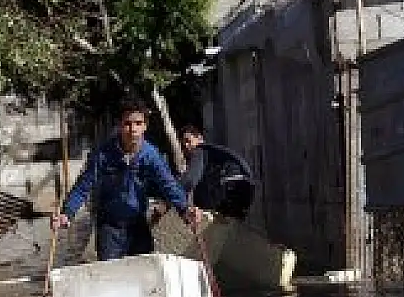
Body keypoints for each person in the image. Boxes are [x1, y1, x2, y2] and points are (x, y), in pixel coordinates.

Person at [52, 98, 203, 261]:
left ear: (145, 126)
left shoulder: (151, 155)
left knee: (145, 270)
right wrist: (67, 213)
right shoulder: (103, 155)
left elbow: (169, 185)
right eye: (127, 124)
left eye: (138, 123)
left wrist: (185, 210)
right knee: (112, 272)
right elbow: (83, 187)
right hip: (109, 228)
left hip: (138, 226)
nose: (133, 130)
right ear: (119, 125)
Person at [180, 125, 255, 220]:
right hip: (246, 188)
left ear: (199, 138)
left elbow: (190, 180)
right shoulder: (215, 153)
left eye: (188, 141)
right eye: (183, 145)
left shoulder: (200, 149)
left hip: (232, 184)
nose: (186, 146)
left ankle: (207, 212)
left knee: (197, 195)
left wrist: (174, 193)